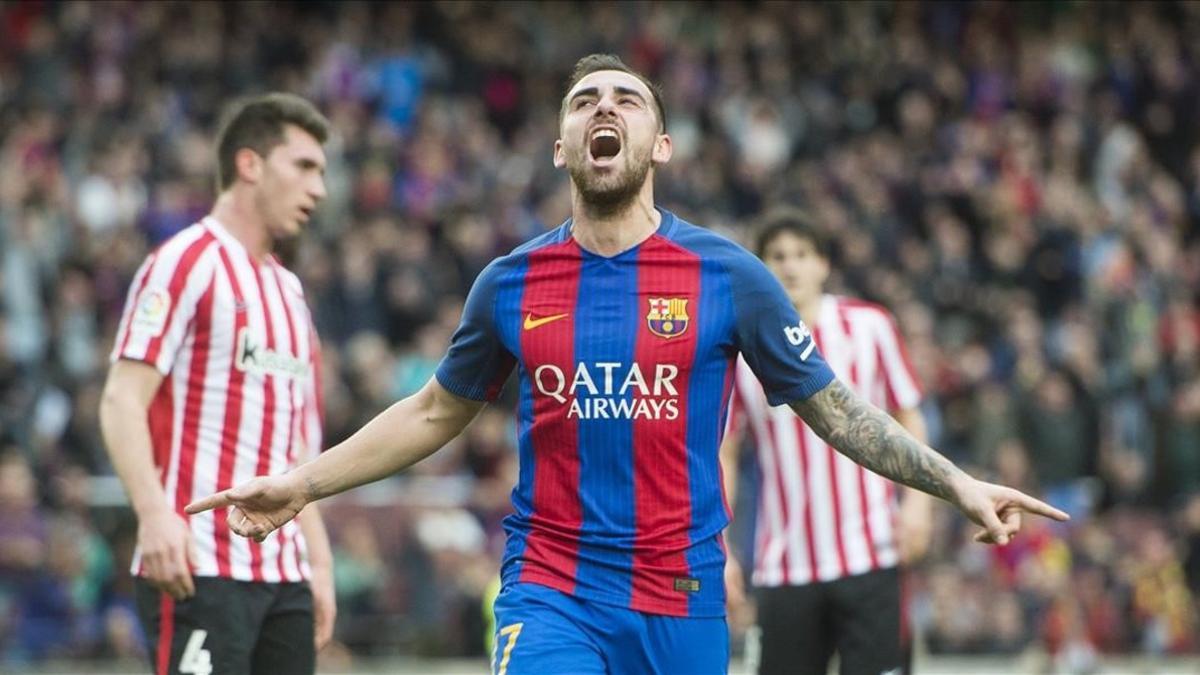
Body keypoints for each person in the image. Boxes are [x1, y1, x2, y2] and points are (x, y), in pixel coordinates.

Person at [185, 55, 1067, 675]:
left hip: (680, 597)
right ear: (563, 148)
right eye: (584, 102)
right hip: (549, 588)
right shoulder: (509, 282)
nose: (604, 108)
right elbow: (430, 413)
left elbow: (834, 407)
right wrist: (303, 483)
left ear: (663, 145)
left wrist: (956, 483)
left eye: (627, 99)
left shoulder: (730, 277)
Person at [99, 93, 336, 675]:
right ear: (250, 164)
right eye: (304, 166)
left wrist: (321, 569)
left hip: (285, 579)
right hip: (197, 565)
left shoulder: (291, 293)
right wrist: (155, 516)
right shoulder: (185, 262)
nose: (320, 189)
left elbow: (300, 453)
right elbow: (121, 399)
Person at [720, 210, 931, 675]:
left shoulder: (871, 327)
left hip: (872, 552)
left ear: (823, 264)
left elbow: (907, 414)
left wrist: (917, 506)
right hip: (784, 563)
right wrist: (722, 545)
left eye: (801, 254)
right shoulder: (742, 349)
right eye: (777, 256)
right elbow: (726, 451)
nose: (790, 267)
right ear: (762, 268)